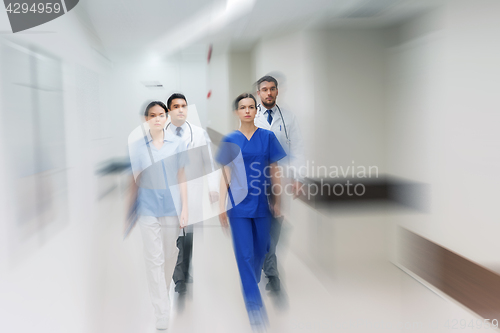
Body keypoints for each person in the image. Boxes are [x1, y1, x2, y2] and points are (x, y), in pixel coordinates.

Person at [217, 93, 286, 331]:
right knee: (244, 256)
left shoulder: (267, 137)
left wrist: (278, 201)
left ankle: (251, 282)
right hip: (237, 206)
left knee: (260, 252)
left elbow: (274, 171)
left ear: (256, 110)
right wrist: (221, 206)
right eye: (242, 107)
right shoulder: (230, 140)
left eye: (251, 107)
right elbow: (225, 173)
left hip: (263, 204)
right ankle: (254, 308)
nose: (247, 110)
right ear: (236, 112)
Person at [127, 101, 188, 330]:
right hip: (147, 208)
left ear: (166, 117)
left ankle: (162, 294)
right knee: (154, 259)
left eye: (161, 114)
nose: (157, 119)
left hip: (172, 207)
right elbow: (135, 180)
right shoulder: (137, 147)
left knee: (170, 253)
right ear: (146, 119)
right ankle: (161, 311)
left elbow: (182, 176)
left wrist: (186, 208)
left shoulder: (178, 143)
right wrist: (130, 211)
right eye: (152, 115)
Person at [254, 75, 305, 293]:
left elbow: (298, 149)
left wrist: (297, 178)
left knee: (277, 224)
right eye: (264, 89)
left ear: (277, 91)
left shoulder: (289, 117)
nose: (268, 93)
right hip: (256, 179)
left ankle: (269, 265)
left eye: (272, 89)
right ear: (259, 93)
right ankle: (269, 268)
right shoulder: (250, 115)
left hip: (281, 179)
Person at [165, 93, 220, 294]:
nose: (180, 109)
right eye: (176, 106)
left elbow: (210, 162)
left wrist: (213, 188)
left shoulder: (198, 134)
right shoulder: (160, 134)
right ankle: (178, 274)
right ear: (169, 110)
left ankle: (182, 273)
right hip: (168, 195)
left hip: (192, 193)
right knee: (172, 237)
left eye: (184, 106)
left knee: (187, 237)